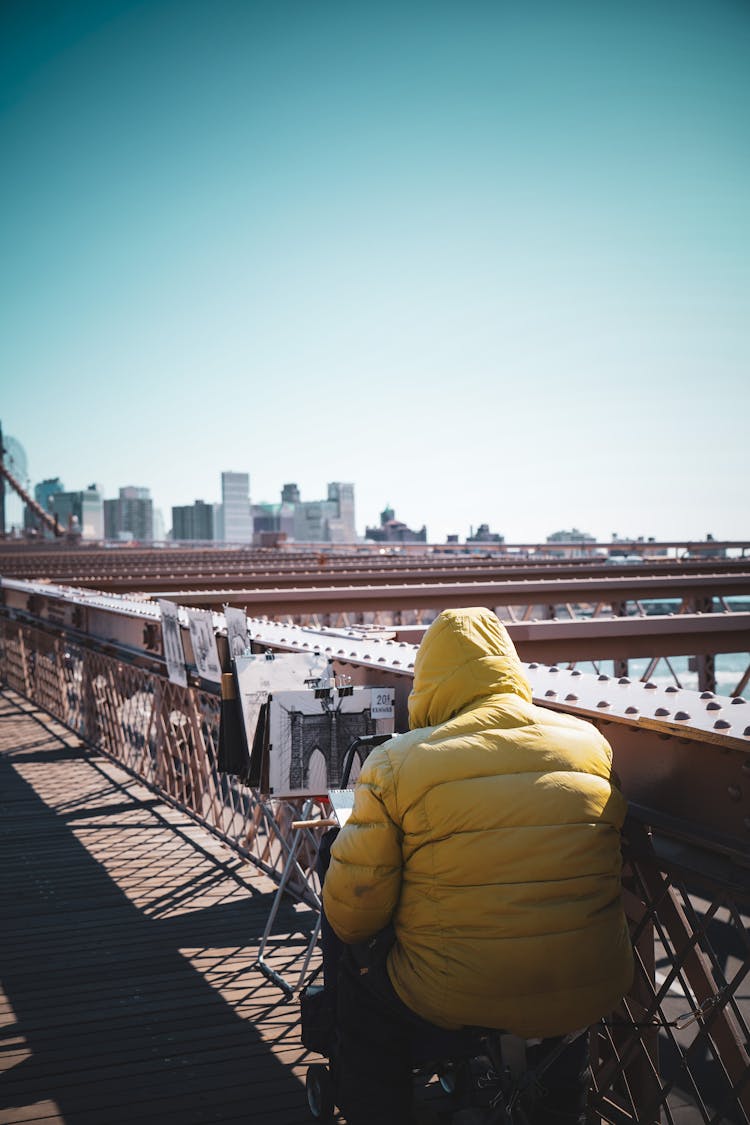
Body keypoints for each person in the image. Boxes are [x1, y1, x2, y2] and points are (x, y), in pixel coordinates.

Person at [322, 607, 633, 1125]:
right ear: (509, 666)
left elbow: (354, 917)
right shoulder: (590, 744)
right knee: (561, 975)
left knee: (360, 981)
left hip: (452, 993)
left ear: (428, 681)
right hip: (592, 981)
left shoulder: (397, 763)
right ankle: (563, 1106)